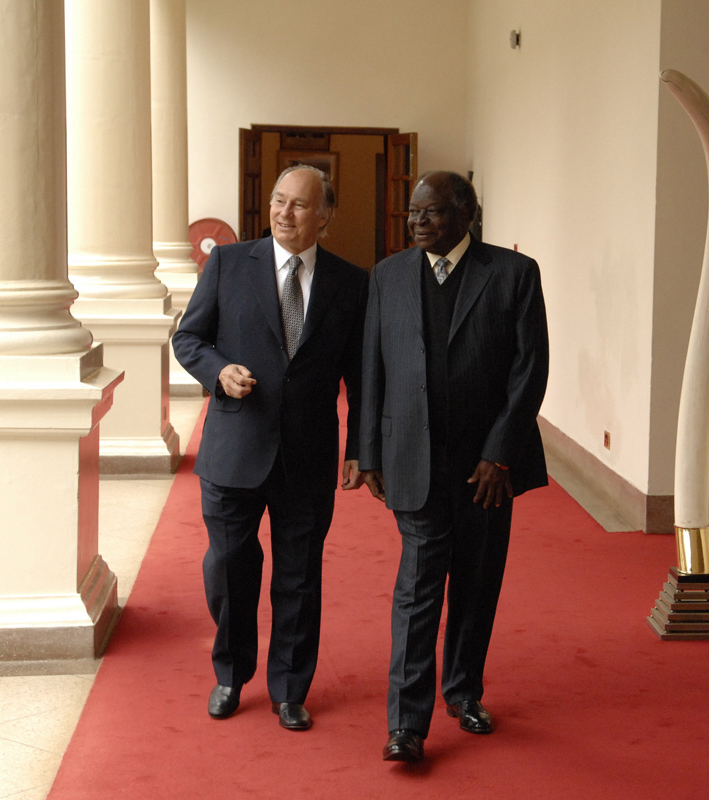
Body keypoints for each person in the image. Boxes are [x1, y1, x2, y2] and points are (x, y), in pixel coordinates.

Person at [360, 171, 550, 762]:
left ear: (467, 215)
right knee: (417, 589)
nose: (417, 222)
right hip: (412, 459)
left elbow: (530, 370)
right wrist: (368, 451)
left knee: (476, 582)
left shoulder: (514, 273)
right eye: (413, 212)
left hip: (487, 471)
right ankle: (405, 725)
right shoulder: (388, 275)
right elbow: (372, 368)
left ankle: (464, 692)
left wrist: (500, 453)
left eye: (432, 212)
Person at [173, 165, 368, 731]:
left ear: (325, 216)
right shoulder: (229, 264)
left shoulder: (351, 283)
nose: (284, 212)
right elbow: (188, 338)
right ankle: (231, 675)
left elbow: (361, 375)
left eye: (299, 205)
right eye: (279, 200)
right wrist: (218, 371)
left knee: (299, 577)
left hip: (307, 454)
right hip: (234, 449)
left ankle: (290, 689)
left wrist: (361, 446)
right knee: (230, 569)